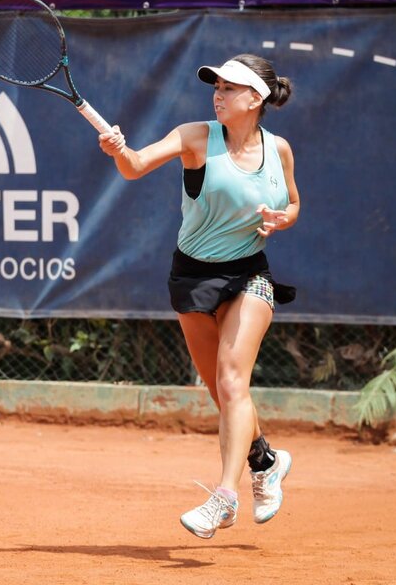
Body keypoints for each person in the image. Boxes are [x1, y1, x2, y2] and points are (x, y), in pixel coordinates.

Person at [98, 54, 300, 539]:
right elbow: (136, 167)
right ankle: (267, 461)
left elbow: (292, 201)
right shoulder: (194, 136)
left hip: (250, 275)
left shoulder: (280, 150)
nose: (218, 94)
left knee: (232, 382)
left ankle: (226, 497)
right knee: (219, 389)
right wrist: (118, 150)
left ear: (256, 98)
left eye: (230, 88)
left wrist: (284, 218)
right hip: (191, 278)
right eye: (216, 86)